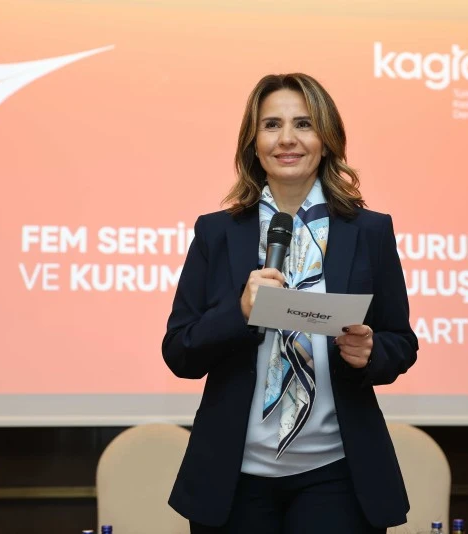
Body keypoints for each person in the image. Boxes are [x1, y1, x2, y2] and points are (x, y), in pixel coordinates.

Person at [162, 73, 418, 534]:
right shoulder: (217, 233)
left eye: (303, 124)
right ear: (253, 142)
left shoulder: (370, 231)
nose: (286, 139)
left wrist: (371, 352)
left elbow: (400, 341)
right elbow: (180, 352)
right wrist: (239, 313)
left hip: (337, 474)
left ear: (327, 138)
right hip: (233, 479)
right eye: (271, 125)